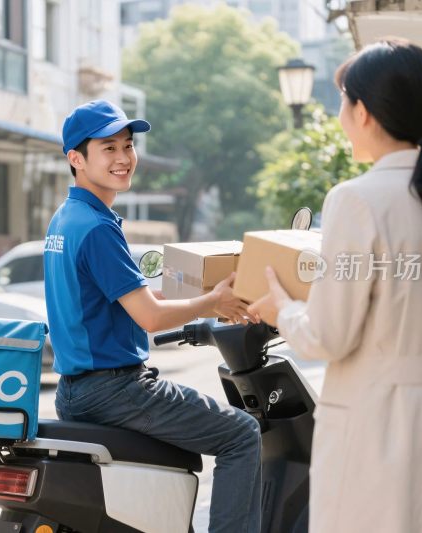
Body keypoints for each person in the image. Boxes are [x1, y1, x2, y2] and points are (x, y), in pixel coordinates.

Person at [248, 40, 422, 533]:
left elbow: (328, 336)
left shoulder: (356, 200)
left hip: (376, 423)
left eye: (343, 101)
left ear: (362, 111)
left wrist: (281, 306)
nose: (340, 114)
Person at [44, 99, 261, 533]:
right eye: (108, 148)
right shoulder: (98, 227)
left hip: (75, 390)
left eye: (128, 145)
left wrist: (199, 292)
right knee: (241, 436)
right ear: (76, 158)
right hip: (117, 389)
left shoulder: (66, 220)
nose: (124, 158)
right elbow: (151, 318)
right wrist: (212, 302)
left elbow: (124, 296)